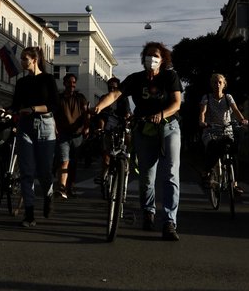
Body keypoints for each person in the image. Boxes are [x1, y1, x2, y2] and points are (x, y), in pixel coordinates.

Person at [92, 42, 183, 241]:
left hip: (168, 127)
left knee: (170, 174)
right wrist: (99, 106)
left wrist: (161, 114)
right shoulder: (136, 79)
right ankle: (148, 212)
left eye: (156, 55)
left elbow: (177, 103)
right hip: (144, 128)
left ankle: (169, 222)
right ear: (143, 58)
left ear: (163, 59)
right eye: (148, 55)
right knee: (146, 178)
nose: (152, 59)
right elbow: (116, 94)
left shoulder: (170, 77)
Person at [11, 46, 59, 228]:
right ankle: (29, 213)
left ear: (34, 60)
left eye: (25, 58)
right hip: (25, 127)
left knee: (45, 171)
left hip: (45, 125)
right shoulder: (21, 82)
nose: (22, 61)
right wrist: (6, 110)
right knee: (27, 171)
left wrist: (33, 109)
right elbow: (16, 105)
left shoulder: (48, 79)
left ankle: (48, 195)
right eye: (22, 58)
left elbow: (54, 104)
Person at [198, 73, 248, 195]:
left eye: (220, 82)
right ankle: (207, 173)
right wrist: (202, 122)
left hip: (226, 130)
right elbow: (203, 111)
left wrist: (242, 120)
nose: (217, 84)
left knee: (233, 153)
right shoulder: (207, 98)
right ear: (211, 84)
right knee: (213, 147)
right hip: (211, 130)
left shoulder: (228, 97)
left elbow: (235, 110)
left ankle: (234, 184)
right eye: (215, 82)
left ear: (224, 84)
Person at [54, 73, 89, 199]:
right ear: (64, 83)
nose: (72, 85)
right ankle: (61, 187)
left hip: (77, 135)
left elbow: (85, 113)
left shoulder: (80, 98)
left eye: (74, 82)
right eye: (69, 82)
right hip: (63, 134)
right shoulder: (59, 98)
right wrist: (55, 128)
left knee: (73, 163)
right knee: (64, 160)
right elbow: (53, 115)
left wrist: (87, 127)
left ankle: (71, 186)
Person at [93, 77, 131, 183]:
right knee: (106, 157)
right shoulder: (104, 98)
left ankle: (127, 162)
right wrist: (100, 127)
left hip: (120, 127)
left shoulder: (123, 98)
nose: (111, 89)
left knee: (128, 140)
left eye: (114, 87)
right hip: (107, 129)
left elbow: (127, 113)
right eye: (109, 87)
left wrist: (127, 121)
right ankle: (103, 174)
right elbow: (100, 116)